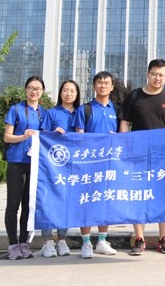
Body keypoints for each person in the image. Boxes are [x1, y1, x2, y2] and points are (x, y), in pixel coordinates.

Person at [119, 59, 165, 256]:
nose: (157, 78)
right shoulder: (134, 96)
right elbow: (125, 123)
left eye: (161, 75)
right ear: (147, 74)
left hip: (164, 157)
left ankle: (164, 239)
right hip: (137, 156)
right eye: (154, 74)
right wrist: (125, 147)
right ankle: (139, 239)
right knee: (137, 195)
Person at [72, 71, 119, 259]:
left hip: (109, 164)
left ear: (112, 87)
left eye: (106, 83)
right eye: (99, 82)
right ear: (94, 86)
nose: (103, 85)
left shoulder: (117, 110)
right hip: (88, 164)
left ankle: (102, 241)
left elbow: (123, 136)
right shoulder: (85, 109)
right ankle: (86, 242)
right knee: (86, 201)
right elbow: (79, 137)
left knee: (105, 200)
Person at [3, 75, 47, 260]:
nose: (34, 91)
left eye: (37, 88)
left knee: (28, 206)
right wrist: (23, 136)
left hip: (35, 164)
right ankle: (13, 244)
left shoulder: (44, 113)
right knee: (13, 205)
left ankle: (24, 243)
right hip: (16, 163)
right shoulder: (16, 109)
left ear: (42, 92)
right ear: (25, 90)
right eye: (31, 88)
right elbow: (7, 136)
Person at [38, 79, 80, 258]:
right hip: (53, 166)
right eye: (65, 90)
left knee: (67, 202)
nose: (68, 94)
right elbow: (42, 136)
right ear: (60, 93)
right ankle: (47, 241)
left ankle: (62, 239)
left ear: (77, 94)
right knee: (48, 200)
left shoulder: (80, 113)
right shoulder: (52, 113)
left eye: (72, 91)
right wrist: (53, 134)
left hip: (73, 166)